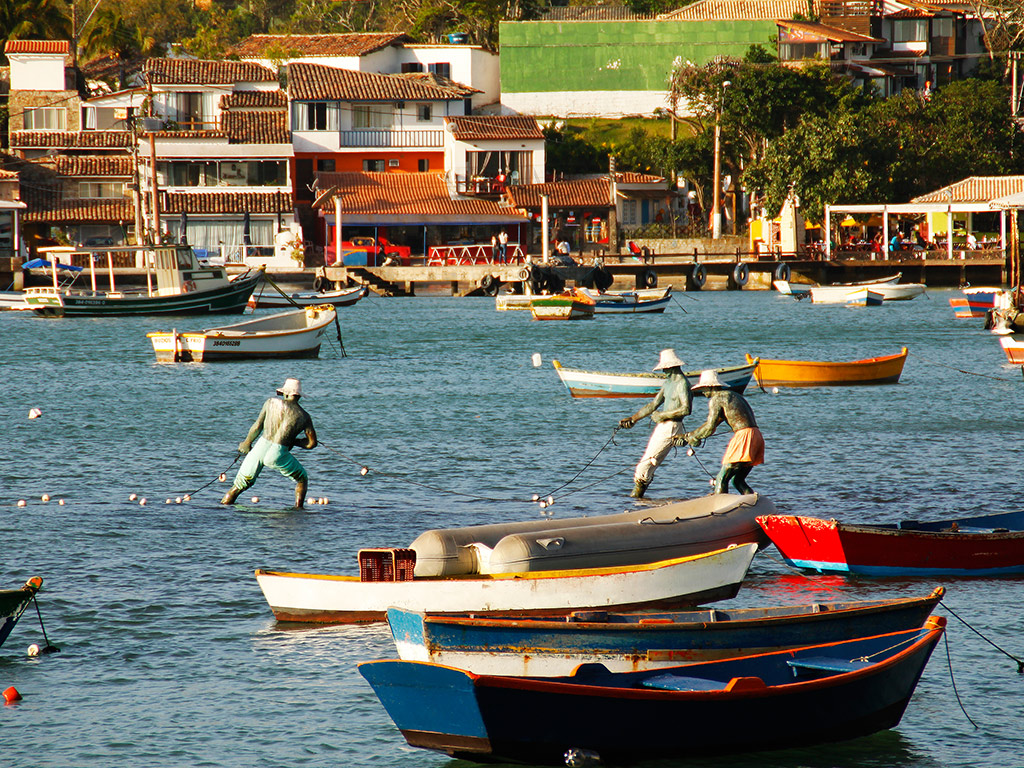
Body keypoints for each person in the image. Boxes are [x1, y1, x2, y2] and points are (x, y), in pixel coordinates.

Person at [221, 378, 318, 509]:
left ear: (285, 393)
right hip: (278, 452)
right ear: (299, 396)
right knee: (302, 479)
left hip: (260, 447)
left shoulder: (270, 402)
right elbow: (312, 444)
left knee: (238, 486)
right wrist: (294, 441)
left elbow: (257, 426)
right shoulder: (304, 416)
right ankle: (298, 510)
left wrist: (247, 443)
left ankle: (222, 510)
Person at [618, 349, 692, 498]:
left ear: (672, 367)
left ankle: (635, 500)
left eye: (665, 368)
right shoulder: (668, 383)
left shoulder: (682, 384)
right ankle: (639, 500)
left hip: (672, 427)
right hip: (663, 426)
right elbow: (653, 405)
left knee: (644, 465)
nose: (664, 371)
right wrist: (633, 419)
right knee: (648, 464)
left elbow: (686, 409)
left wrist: (662, 415)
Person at [675, 370, 763, 495]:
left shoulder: (717, 398)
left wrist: (692, 438)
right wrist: (688, 436)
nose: (703, 392)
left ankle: (719, 503)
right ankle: (752, 501)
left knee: (722, 478)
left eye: (704, 389)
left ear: (711, 386)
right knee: (738, 481)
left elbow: (710, 427)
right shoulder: (733, 395)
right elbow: (711, 426)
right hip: (756, 435)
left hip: (744, 436)